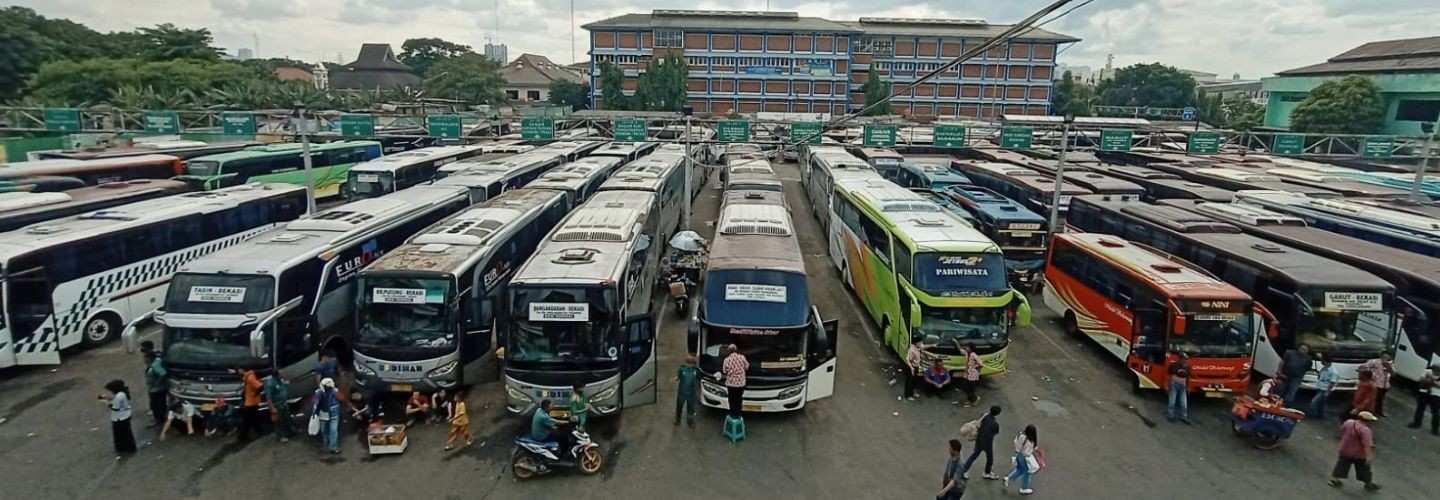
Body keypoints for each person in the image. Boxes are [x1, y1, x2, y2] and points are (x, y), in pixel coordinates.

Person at [1329, 412, 1381, 491]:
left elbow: (1342, 430)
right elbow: (1367, 445)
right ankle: (1368, 484)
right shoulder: (1366, 430)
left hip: (1345, 449)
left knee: (1341, 465)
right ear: (1368, 421)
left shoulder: (1349, 422)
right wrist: (1369, 456)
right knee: (1364, 469)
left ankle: (1335, 480)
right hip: (1358, 454)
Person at [962, 405, 1002, 480]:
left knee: (974, 455)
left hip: (979, 440)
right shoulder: (995, 424)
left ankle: (964, 470)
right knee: (990, 458)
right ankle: (987, 473)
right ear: (997, 414)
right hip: (988, 443)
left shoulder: (985, 416)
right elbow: (995, 432)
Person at [101, 380, 137, 456]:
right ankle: (128, 448)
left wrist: (106, 402)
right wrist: (109, 398)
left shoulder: (119, 396)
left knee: (121, 434)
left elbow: (115, 408)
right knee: (126, 433)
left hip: (119, 418)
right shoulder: (122, 394)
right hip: (125, 416)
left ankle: (125, 449)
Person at [1004, 424, 1039, 496]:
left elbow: (1017, 444)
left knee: (1019, 469)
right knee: (1027, 472)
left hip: (1019, 455)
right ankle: (1024, 488)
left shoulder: (1022, 436)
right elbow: (1028, 452)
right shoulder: (1030, 441)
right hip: (1025, 458)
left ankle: (1008, 478)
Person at [141, 342, 168, 428]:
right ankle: (161, 419)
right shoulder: (156, 362)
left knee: (156, 406)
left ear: (149, 358)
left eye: (145, 358)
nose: (144, 360)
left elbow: (163, 374)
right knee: (160, 404)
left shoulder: (155, 365)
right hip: (156, 388)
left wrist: (156, 384)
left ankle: (159, 421)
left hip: (156, 390)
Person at [312, 378, 342, 455]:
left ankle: (326, 444)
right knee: (333, 429)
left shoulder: (318, 392)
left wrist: (314, 412)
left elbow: (315, 403)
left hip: (323, 413)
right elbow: (341, 398)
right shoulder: (335, 391)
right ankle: (332, 447)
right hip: (333, 411)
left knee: (325, 429)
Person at [235, 367, 264, 441]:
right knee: (254, 418)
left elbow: (260, 387)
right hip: (251, 402)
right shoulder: (247, 376)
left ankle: (243, 436)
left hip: (251, 403)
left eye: (239, 370)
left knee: (247, 420)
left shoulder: (250, 378)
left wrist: (254, 394)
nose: (238, 372)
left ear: (243, 369)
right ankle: (259, 431)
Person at [1409, 366, 1440, 435]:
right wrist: (1433, 382)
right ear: (1433, 369)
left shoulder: (1429, 374)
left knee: (1436, 412)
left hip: (1436, 395)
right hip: (1424, 392)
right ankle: (1416, 423)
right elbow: (1421, 380)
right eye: (1436, 371)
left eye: (1438, 371)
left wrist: (1431, 380)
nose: (1437, 372)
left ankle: (1435, 429)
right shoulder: (1427, 371)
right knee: (1420, 408)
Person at [721, 344, 749, 418]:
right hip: (740, 383)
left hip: (731, 383)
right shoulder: (742, 357)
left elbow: (724, 371)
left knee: (731, 399)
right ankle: (738, 413)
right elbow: (747, 367)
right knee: (739, 398)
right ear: (736, 350)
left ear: (729, 351)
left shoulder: (726, 360)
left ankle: (732, 413)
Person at [263, 375, 293, 442]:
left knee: (287, 419)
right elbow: (268, 398)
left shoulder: (280, 381)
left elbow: (284, 387)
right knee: (279, 422)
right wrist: (272, 408)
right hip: (276, 405)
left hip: (284, 403)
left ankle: (290, 432)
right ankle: (281, 436)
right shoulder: (270, 383)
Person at [1167, 352, 1191, 424]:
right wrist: (1167, 385)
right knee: (1172, 401)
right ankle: (1170, 415)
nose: (1185, 360)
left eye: (1186, 359)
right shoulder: (1174, 365)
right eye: (1184, 359)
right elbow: (1168, 374)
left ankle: (1184, 417)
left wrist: (1188, 387)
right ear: (1180, 359)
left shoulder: (1187, 367)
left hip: (1183, 386)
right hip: (1174, 385)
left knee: (1184, 403)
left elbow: (1188, 377)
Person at [675, 354, 700, 427]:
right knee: (679, 407)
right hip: (682, 392)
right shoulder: (681, 369)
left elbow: (698, 380)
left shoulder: (696, 371)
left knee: (691, 408)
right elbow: (678, 377)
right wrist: (675, 378)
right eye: (688, 363)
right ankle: (678, 420)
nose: (689, 365)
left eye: (691, 363)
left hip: (691, 393)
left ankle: (690, 422)